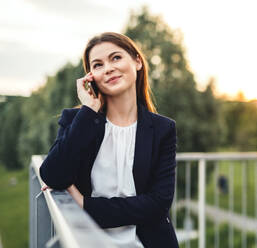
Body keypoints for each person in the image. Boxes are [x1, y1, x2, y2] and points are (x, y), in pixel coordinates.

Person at [40, 32, 179, 248]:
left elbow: (157, 204)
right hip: (88, 242)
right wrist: (88, 110)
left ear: (137, 61)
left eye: (116, 58)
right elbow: (53, 175)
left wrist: (86, 205)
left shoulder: (162, 129)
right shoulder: (78, 120)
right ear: (90, 77)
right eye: (97, 65)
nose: (108, 68)